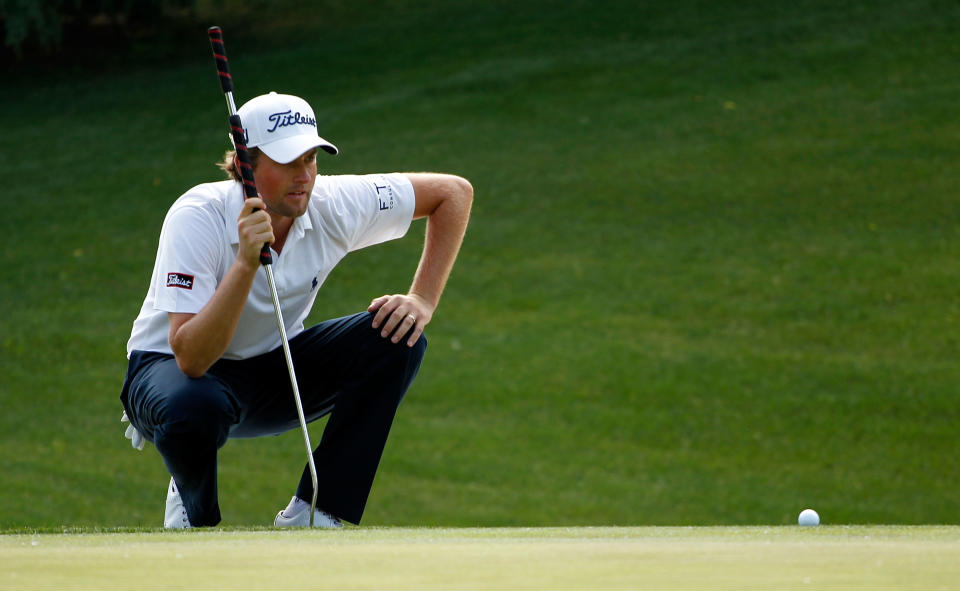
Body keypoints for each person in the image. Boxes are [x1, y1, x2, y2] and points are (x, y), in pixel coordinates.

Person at [119, 91, 472, 528]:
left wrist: (421, 298)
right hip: (171, 376)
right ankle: (194, 512)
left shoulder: (333, 201)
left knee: (398, 338)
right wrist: (246, 263)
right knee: (195, 406)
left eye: (311, 159)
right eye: (289, 162)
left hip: (271, 370)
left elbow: (453, 193)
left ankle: (318, 514)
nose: (304, 175)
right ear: (246, 165)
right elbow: (190, 356)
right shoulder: (197, 216)